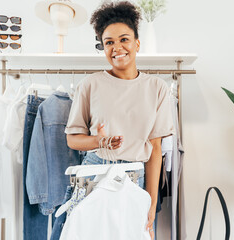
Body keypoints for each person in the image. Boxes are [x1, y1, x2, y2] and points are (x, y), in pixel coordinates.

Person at [65, 1, 175, 239]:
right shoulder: (89, 85)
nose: (117, 48)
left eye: (124, 39)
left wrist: (151, 201)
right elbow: (72, 141)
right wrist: (99, 142)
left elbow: (156, 149)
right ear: (103, 47)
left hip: (135, 176)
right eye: (109, 42)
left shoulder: (157, 88)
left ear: (137, 43)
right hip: (95, 173)